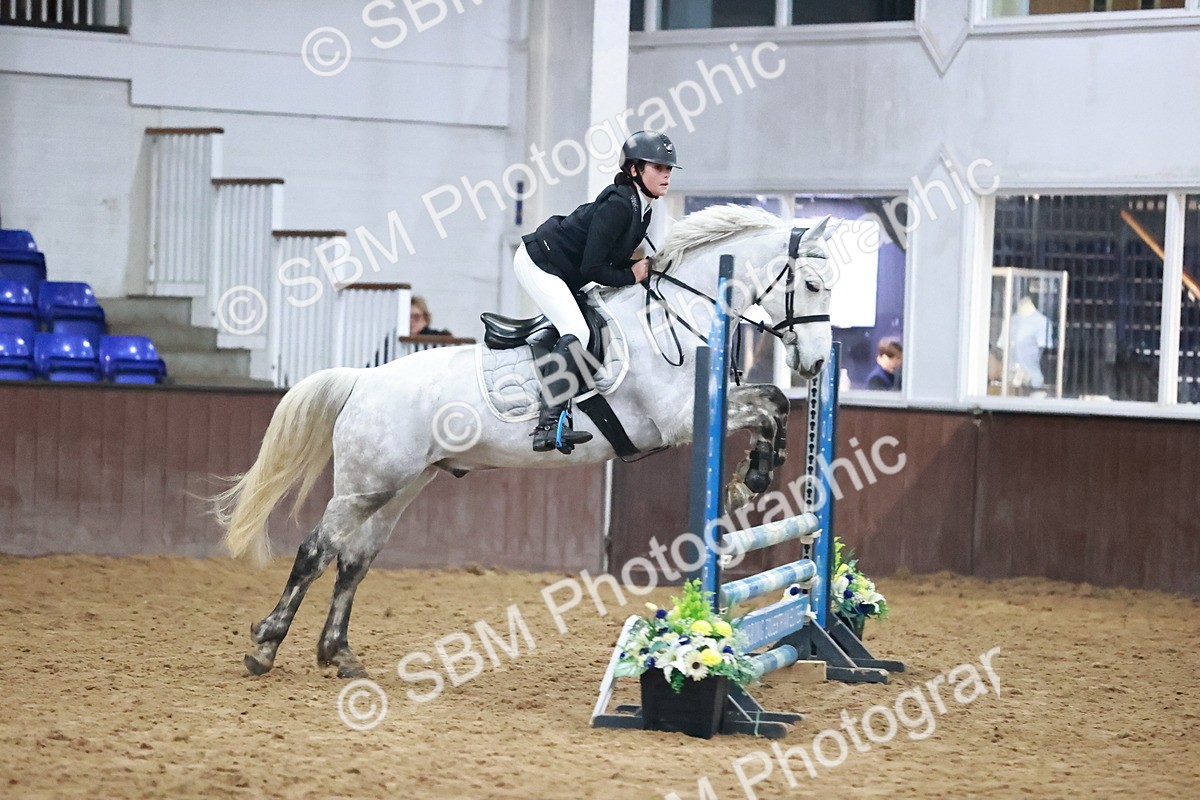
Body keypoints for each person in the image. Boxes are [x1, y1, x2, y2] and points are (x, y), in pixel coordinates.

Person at [514, 130, 678, 453]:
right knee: (577, 329)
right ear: (634, 170)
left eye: (669, 169)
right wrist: (631, 275)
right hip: (539, 262)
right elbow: (593, 268)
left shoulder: (643, 207)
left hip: (564, 270)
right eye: (658, 167)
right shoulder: (620, 204)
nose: (666, 174)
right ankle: (547, 424)